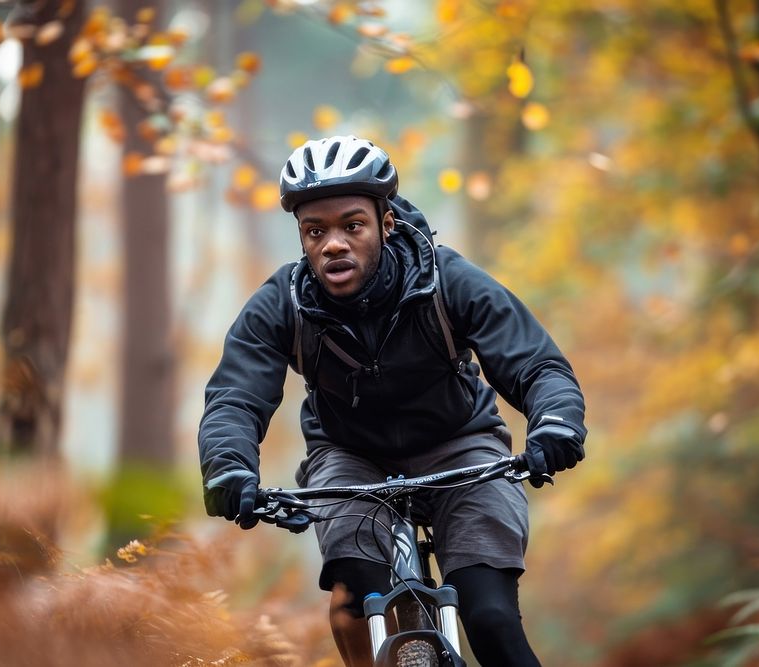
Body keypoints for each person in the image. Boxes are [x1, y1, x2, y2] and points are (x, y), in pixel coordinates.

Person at [198, 135, 587, 666]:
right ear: (302, 239)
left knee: (491, 618)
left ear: (385, 223)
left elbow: (535, 364)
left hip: (462, 448)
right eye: (316, 232)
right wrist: (229, 469)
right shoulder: (282, 304)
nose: (333, 244)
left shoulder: (447, 280)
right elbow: (235, 398)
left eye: (351, 225)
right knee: (354, 593)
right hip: (349, 457)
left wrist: (555, 424)